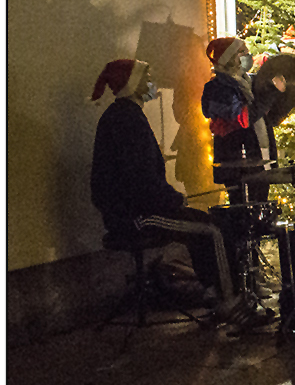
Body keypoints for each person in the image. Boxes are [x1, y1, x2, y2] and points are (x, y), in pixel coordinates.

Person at [91, 58, 270, 328]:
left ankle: (214, 295)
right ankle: (232, 306)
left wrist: (168, 199)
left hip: (142, 208)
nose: (151, 80)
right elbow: (139, 180)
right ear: (131, 83)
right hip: (136, 216)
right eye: (146, 76)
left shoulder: (125, 115)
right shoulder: (125, 119)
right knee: (212, 231)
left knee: (206, 225)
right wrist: (171, 200)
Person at [201, 37, 285, 204]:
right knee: (242, 209)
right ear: (230, 58)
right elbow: (243, 119)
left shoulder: (249, 81)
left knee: (261, 204)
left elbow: (268, 116)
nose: (248, 55)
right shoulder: (217, 88)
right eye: (242, 52)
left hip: (260, 154)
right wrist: (270, 95)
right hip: (238, 161)